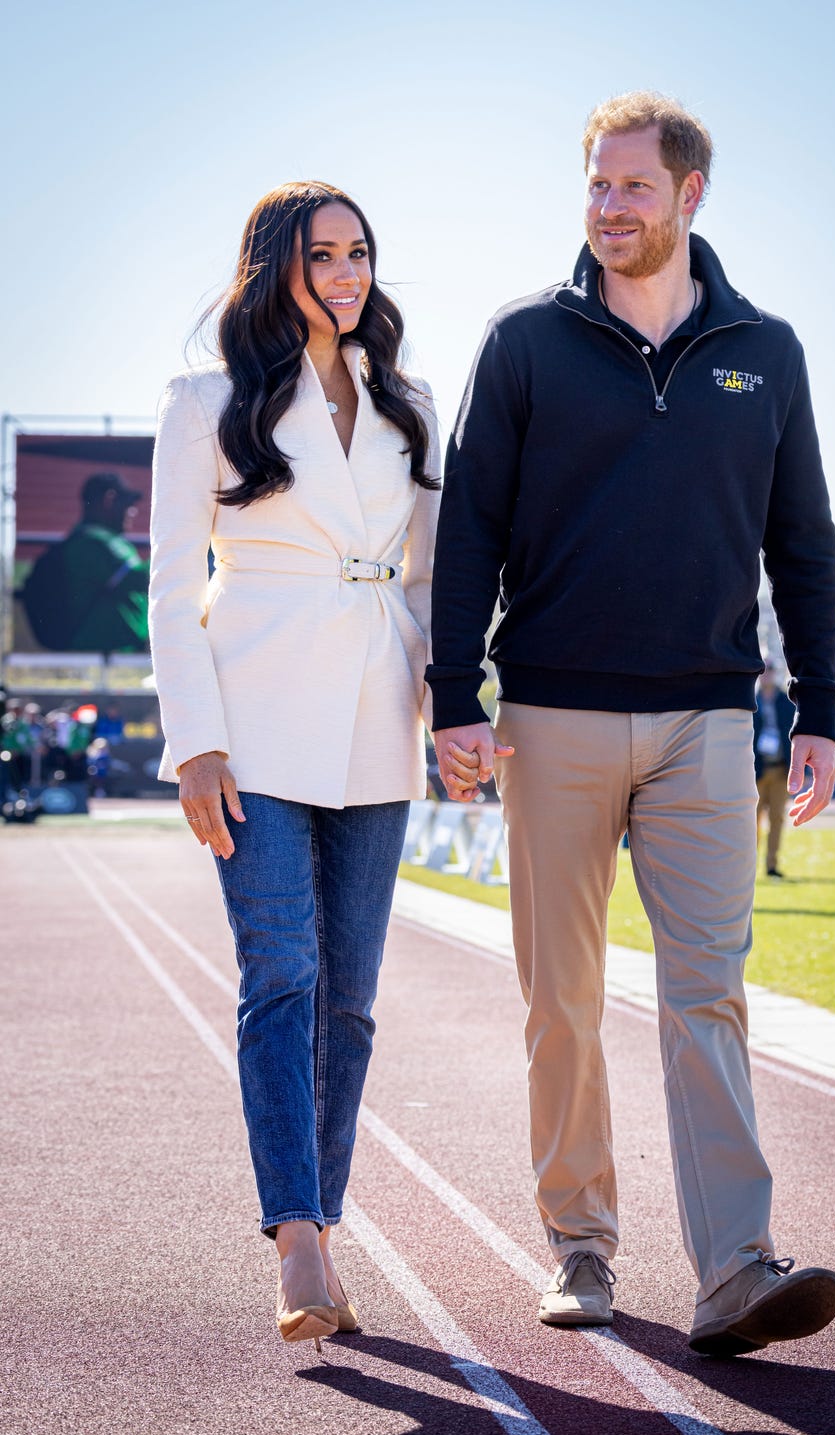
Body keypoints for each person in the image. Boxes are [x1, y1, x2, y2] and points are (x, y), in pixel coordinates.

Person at [427, 91, 835, 1357]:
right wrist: (456, 696)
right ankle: (581, 1243)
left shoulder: (763, 350)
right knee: (560, 995)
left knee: (704, 993)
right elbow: (469, 535)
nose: (608, 208)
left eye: (631, 188)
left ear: (688, 196)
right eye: (595, 187)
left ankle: (733, 1265)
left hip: (707, 720)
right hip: (549, 713)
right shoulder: (523, 342)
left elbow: (805, 542)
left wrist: (817, 706)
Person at [149, 181, 474, 1352]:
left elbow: (436, 580)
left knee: (349, 998)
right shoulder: (205, 403)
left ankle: (319, 1222)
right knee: (280, 974)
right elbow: (171, 592)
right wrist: (196, 742)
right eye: (321, 254)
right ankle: (296, 1235)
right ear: (272, 266)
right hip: (252, 722)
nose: (345, 273)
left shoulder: (411, 404)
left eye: (359, 254)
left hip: (379, 718)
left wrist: (452, 708)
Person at [19, 472, 150, 654]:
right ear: (109, 500)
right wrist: (185, 549)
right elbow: (144, 579)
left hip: (109, 654)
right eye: (128, 504)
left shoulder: (90, 540)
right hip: (104, 655)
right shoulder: (93, 542)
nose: (133, 512)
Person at [753, 660, 796, 878]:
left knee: (777, 819)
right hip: (756, 771)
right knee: (752, 821)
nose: (766, 674)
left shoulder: (786, 702)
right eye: (763, 669)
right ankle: (748, 866)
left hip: (780, 770)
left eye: (770, 669)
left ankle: (771, 866)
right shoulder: (751, 700)